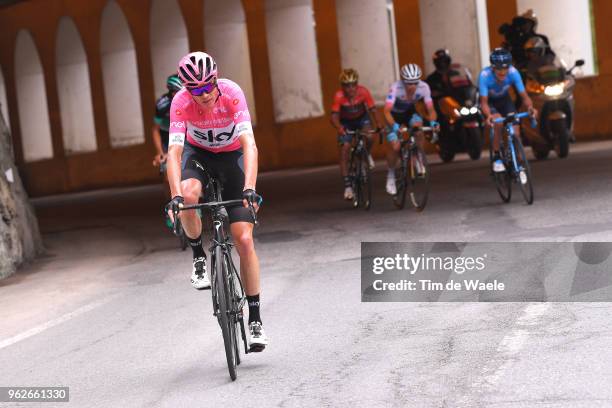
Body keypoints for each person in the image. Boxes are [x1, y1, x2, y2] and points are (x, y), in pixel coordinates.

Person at [166, 51, 268, 351]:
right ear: (186, 89)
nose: (204, 93)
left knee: (244, 240)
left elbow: (250, 144)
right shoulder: (181, 103)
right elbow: (174, 153)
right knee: (187, 195)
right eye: (195, 89)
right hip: (199, 158)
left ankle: (255, 318)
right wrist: (174, 195)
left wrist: (249, 187)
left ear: (216, 79)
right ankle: (198, 256)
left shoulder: (232, 93)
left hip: (232, 157)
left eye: (208, 85)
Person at [383, 63, 439, 195]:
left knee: (418, 127)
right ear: (403, 81)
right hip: (393, 116)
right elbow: (386, 111)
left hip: (409, 112)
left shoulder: (424, 87)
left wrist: (433, 122)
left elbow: (430, 109)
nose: (412, 87)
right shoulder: (395, 88)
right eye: (409, 83)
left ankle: (418, 155)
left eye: (415, 83)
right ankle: (390, 175)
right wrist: (394, 126)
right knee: (395, 147)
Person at [479, 48, 537, 173]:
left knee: (515, 131)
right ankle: (496, 156)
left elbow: (524, 96)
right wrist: (488, 115)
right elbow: (483, 102)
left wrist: (530, 108)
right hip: (490, 102)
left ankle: (515, 156)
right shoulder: (484, 76)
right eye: (499, 69)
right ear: (492, 67)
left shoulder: (513, 72)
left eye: (505, 69)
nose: (503, 72)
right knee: (498, 122)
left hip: (505, 100)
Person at [330, 68, 382, 200]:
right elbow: (334, 117)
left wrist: (379, 124)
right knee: (345, 148)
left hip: (361, 119)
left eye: (354, 85)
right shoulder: (339, 96)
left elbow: (373, 109)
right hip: (346, 122)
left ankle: (366, 154)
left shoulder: (363, 92)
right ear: (342, 86)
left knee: (370, 136)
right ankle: (348, 186)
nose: (351, 89)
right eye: (347, 86)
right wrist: (339, 127)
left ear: (357, 84)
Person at [153, 74, 183, 227]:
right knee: (167, 173)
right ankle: (170, 205)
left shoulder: (187, 100)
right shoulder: (162, 104)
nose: (177, 95)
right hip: (167, 139)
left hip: (185, 135)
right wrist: (160, 152)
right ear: (170, 92)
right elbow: (155, 130)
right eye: (174, 93)